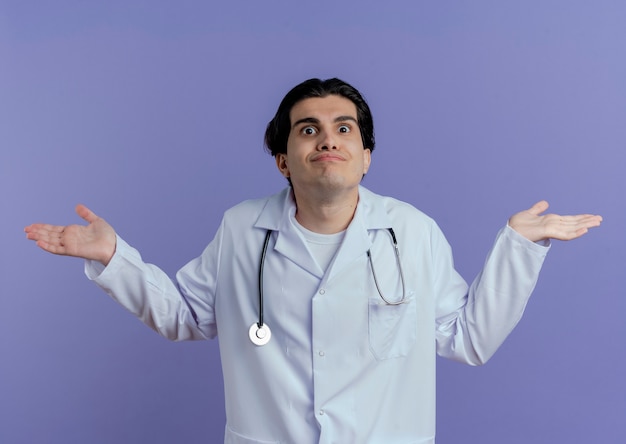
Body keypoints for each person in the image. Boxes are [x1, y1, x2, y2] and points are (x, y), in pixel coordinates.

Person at [25, 78, 602, 444]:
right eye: (309, 129)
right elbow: (186, 315)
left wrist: (518, 248)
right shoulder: (241, 227)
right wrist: (114, 259)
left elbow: (467, 338)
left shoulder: (412, 231)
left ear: (366, 156)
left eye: (343, 128)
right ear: (283, 160)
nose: (327, 139)